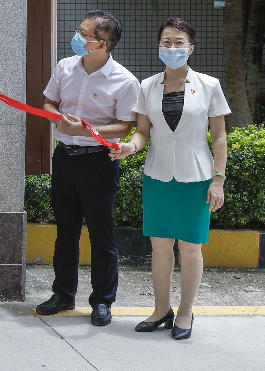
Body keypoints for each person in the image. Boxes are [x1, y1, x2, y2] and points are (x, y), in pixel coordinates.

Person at [112, 18, 228, 340]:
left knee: (191, 248)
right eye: (166, 41)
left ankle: (186, 312)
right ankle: (161, 309)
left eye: (178, 42)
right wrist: (129, 148)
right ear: (158, 46)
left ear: (191, 48)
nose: (172, 47)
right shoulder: (146, 86)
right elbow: (142, 133)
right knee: (160, 247)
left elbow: (219, 137)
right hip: (158, 175)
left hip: (196, 177)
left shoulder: (209, 85)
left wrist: (217, 180)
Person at [36, 10, 140, 326]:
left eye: (85, 34)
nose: (77, 37)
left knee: (101, 233)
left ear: (102, 44)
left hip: (99, 163)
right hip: (64, 159)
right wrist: (58, 118)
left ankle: (102, 301)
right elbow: (48, 102)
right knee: (65, 231)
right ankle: (64, 294)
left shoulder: (124, 81)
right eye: (79, 31)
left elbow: (125, 126)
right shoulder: (65, 67)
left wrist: (85, 130)